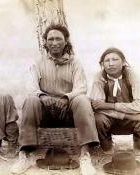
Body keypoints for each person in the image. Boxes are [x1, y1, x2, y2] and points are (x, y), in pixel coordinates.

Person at [11, 24, 99, 175]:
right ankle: (25, 154)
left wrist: (66, 98)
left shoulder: (75, 63)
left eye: (58, 38)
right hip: (45, 112)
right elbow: (31, 86)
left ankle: (84, 155)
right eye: (50, 39)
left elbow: (81, 87)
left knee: (83, 100)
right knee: (31, 100)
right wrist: (43, 96)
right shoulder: (38, 63)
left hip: (68, 112)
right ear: (45, 42)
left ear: (66, 41)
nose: (54, 42)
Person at [90, 47, 140, 154]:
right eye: (107, 61)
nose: (111, 64)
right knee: (98, 119)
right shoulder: (100, 77)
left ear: (123, 62)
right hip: (110, 119)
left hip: (130, 121)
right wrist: (130, 116)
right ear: (102, 64)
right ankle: (107, 148)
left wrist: (109, 105)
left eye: (115, 59)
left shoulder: (131, 75)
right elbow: (97, 107)